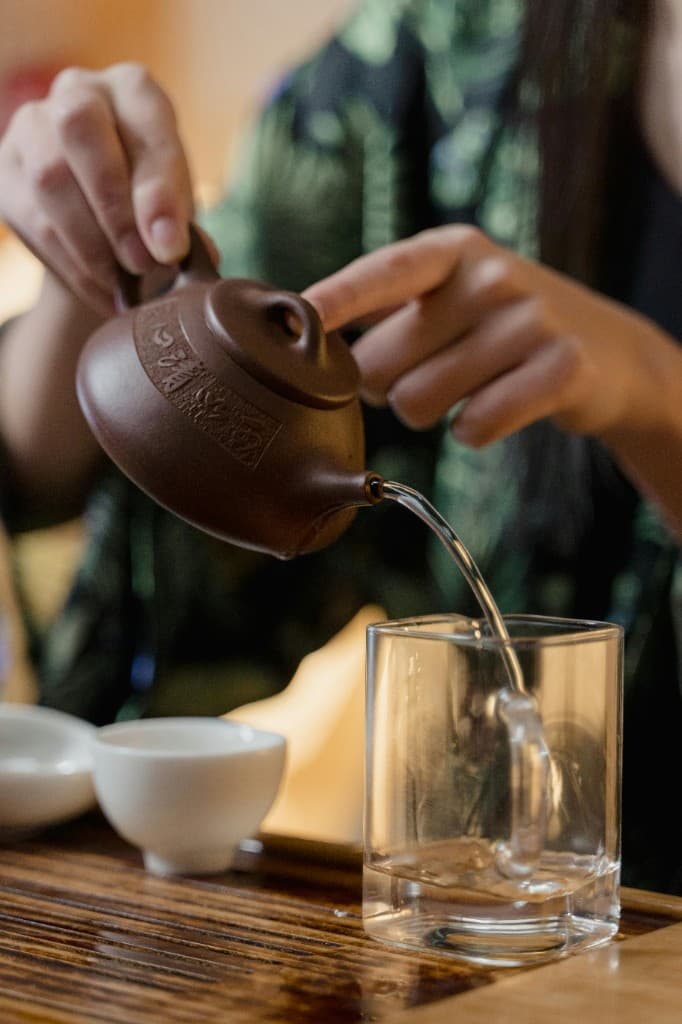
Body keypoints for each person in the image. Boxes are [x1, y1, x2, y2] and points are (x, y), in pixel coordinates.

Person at [0, 0, 680, 893]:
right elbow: (43, 468)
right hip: (479, 918)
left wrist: (658, 400)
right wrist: (96, 254)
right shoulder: (446, 57)